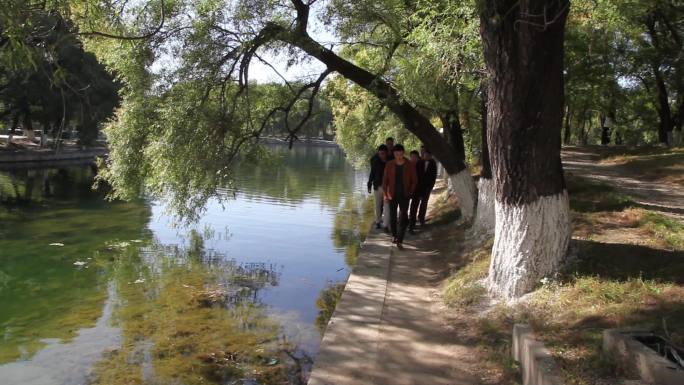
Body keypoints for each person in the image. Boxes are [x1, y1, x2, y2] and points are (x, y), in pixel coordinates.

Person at [382, 144, 417, 249]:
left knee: (403, 217)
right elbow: (385, 181)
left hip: (405, 195)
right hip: (392, 195)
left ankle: (400, 240)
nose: (399, 156)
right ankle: (394, 235)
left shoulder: (409, 164)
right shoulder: (389, 164)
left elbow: (414, 181)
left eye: (400, 154)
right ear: (394, 154)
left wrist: (410, 193)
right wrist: (385, 194)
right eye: (396, 154)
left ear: (403, 153)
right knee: (393, 217)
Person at [409, 149, 438, 232]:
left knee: (424, 204)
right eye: (426, 155)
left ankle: (421, 219)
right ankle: (412, 223)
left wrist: (430, 187)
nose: (427, 156)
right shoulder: (419, 163)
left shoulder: (433, 164)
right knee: (414, 205)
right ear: (423, 155)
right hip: (417, 188)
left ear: (431, 156)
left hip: (426, 188)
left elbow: (433, 176)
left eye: (429, 155)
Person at [367, 144, 389, 230]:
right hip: (377, 186)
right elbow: (372, 173)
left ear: (386, 153)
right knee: (377, 205)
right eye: (380, 153)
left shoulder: (390, 162)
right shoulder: (375, 162)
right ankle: (378, 222)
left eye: (383, 153)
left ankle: (386, 224)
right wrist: (369, 184)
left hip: (387, 188)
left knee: (387, 206)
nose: (381, 155)